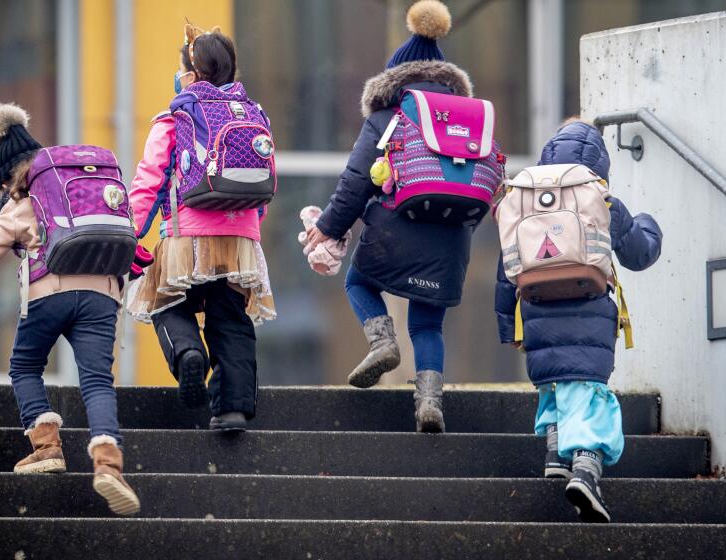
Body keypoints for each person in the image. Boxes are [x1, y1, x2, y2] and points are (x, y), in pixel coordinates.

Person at [0, 103, 140, 516]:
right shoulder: (77, 192)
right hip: (102, 294)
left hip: (49, 292)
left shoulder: (21, 204)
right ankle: (109, 462)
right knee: (96, 379)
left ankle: (47, 445)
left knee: (24, 366)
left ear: (8, 178)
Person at [306, 0, 498, 432]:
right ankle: (429, 401)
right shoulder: (467, 119)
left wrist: (328, 227)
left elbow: (358, 180)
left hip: (396, 226)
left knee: (357, 281)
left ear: (395, 77)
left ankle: (382, 343)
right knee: (429, 322)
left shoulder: (388, 114)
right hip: (452, 236)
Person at [494, 119, 663, 522]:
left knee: (553, 381)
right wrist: (648, 225)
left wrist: (507, 327)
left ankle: (555, 452)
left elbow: (504, 270)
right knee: (588, 391)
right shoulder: (601, 199)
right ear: (600, 163)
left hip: (534, 309)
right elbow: (639, 254)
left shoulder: (523, 197)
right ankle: (585, 471)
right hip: (589, 308)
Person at [128, 23, 275, 433]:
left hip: (185, 237)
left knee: (166, 303)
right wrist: (249, 227)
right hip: (241, 240)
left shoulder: (175, 116)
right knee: (231, 322)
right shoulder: (254, 113)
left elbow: (149, 182)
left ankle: (189, 352)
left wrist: (131, 234)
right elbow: (262, 181)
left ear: (190, 74)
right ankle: (232, 410)